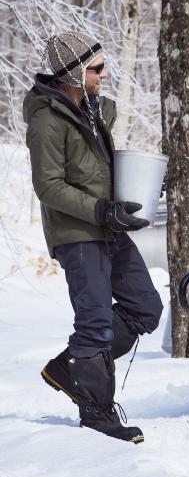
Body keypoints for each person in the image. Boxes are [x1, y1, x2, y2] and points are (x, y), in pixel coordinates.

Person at [22, 31, 164, 444]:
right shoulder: (47, 121)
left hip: (107, 228)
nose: (105, 74)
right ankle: (96, 412)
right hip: (78, 233)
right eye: (97, 68)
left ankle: (69, 369)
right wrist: (101, 210)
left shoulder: (91, 110)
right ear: (74, 72)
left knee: (144, 307)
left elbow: (97, 169)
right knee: (95, 323)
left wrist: (141, 184)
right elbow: (48, 185)